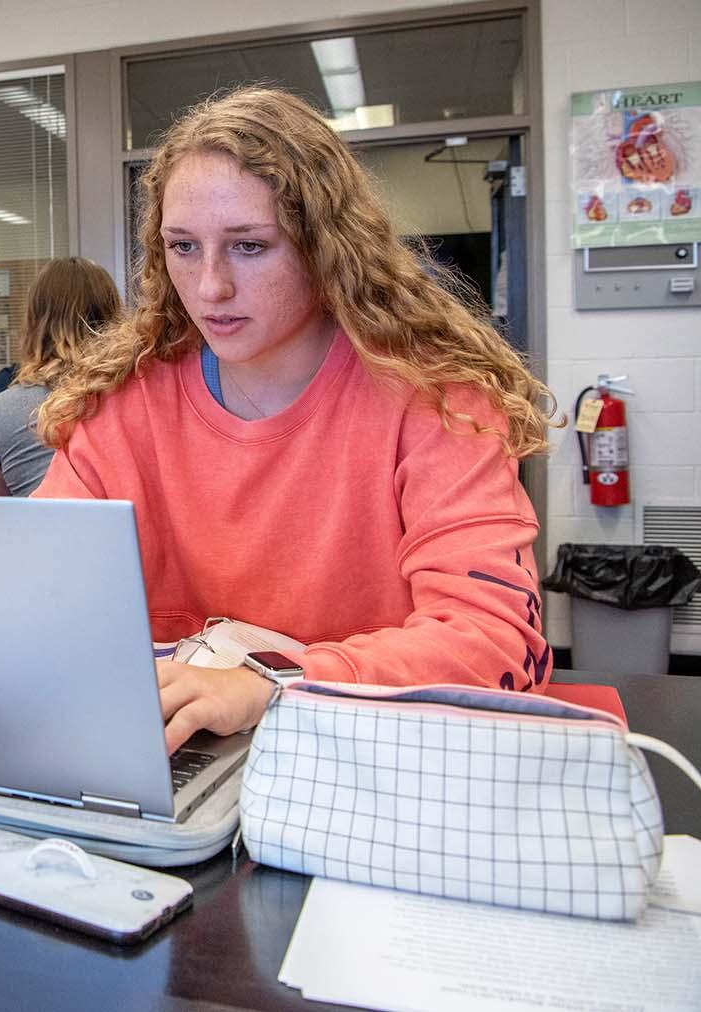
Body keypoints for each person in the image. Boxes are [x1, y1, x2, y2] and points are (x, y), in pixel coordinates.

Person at [32, 86, 555, 753]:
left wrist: (276, 683)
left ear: (324, 245)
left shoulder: (435, 400)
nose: (211, 286)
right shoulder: (121, 404)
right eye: (184, 247)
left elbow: (497, 642)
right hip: (179, 765)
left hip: (371, 765)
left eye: (249, 247)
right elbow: (38, 606)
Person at [0, 258, 121, 497]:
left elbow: (5, 513)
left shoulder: (1, 411)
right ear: (112, 316)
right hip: (121, 533)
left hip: (39, 533)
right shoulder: (134, 397)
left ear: (35, 321)